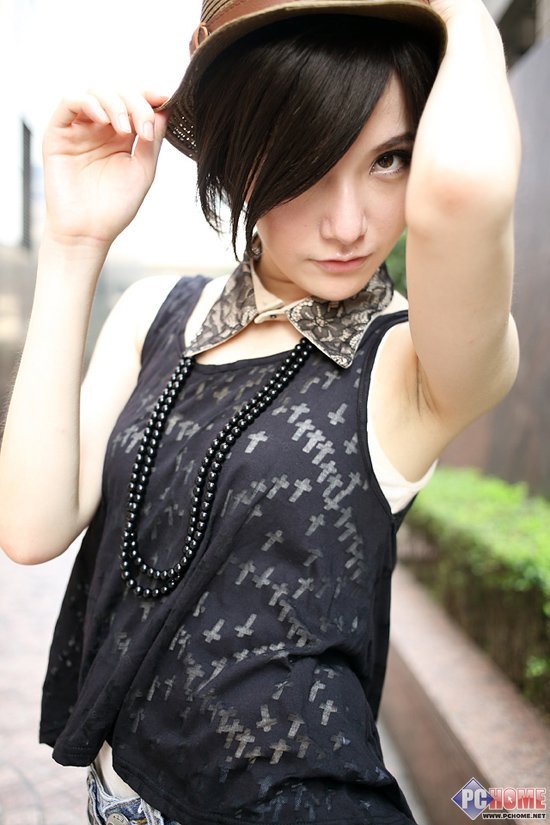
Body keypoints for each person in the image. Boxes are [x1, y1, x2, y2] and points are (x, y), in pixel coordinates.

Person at [0, 0, 521, 822]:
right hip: (117, 798)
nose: (350, 224)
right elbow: (30, 528)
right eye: (307, 164)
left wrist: (453, 8)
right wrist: (73, 244)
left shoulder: (412, 362)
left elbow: (466, 193)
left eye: (390, 160)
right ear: (240, 162)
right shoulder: (155, 315)